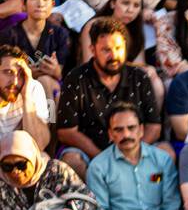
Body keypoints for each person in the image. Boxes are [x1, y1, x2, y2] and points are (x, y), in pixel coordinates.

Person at [57, 17, 161, 178]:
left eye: (119, 48)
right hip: (92, 153)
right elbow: (66, 132)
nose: (114, 55)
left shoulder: (140, 77)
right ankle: (88, 202)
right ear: (92, 49)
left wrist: (131, 154)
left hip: (135, 149)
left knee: (166, 152)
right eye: (106, 50)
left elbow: (154, 126)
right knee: (71, 160)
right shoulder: (76, 78)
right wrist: (104, 158)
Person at [1, 0, 70, 115]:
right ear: (23, 4)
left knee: (45, 82)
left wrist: (56, 71)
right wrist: (26, 74)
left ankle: (49, 124)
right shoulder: (9, 35)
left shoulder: (60, 34)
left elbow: (62, 74)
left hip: (50, 84)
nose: (40, 3)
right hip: (17, 83)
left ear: (52, 5)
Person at [0, 46, 50, 151]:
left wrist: (26, 96)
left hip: (21, 159)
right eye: (8, 72)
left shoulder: (32, 88)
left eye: (21, 74)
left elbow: (39, 145)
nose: (15, 82)